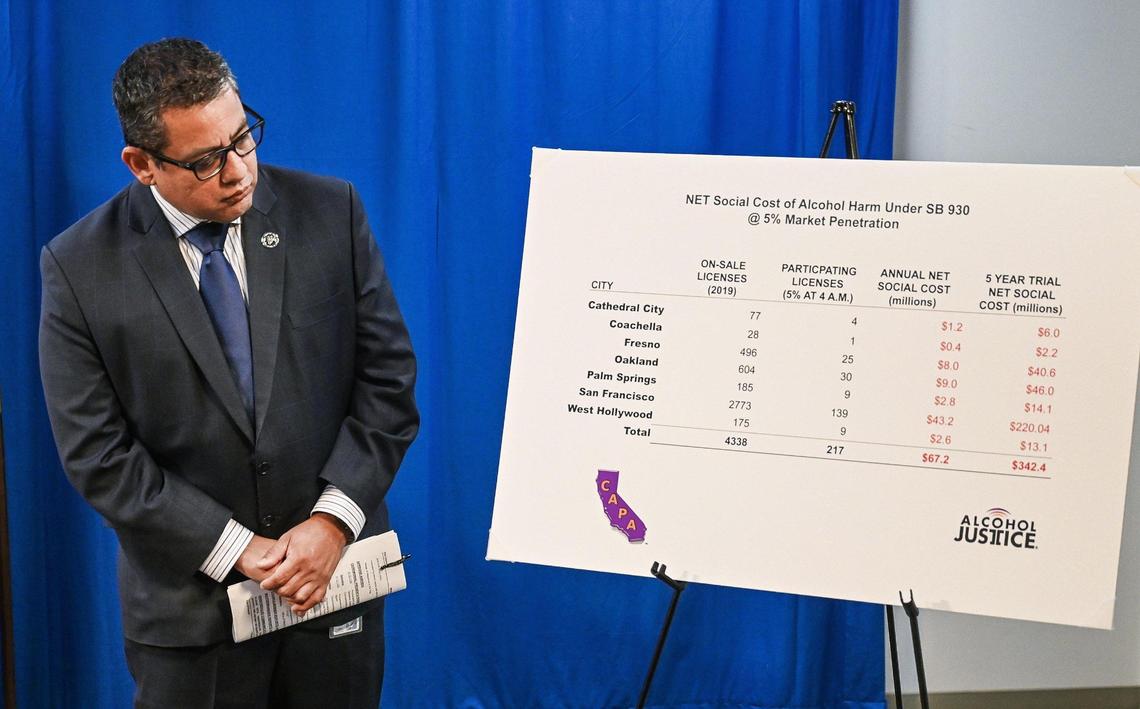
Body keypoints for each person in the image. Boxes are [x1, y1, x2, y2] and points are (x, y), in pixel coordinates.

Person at [38, 38, 419, 708]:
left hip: (332, 593)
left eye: (243, 139)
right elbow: (98, 454)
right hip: (190, 621)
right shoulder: (78, 268)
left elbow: (388, 383)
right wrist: (237, 548)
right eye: (206, 160)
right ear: (142, 164)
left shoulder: (330, 212)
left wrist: (332, 522)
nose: (239, 171)